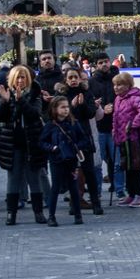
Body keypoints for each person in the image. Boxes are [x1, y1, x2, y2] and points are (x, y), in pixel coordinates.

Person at [0, 65, 51, 225]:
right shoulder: (7, 94)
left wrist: (21, 101)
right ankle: (11, 213)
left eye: (23, 77)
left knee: (34, 178)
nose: (20, 81)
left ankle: (38, 212)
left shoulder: (35, 94)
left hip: (31, 142)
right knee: (13, 179)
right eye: (17, 77)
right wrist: (5, 102)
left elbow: (34, 114)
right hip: (12, 143)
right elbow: (0, 117)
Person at [40, 96, 92, 226]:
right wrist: (52, 148)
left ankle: (78, 214)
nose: (66, 110)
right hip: (56, 160)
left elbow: (84, 139)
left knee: (73, 187)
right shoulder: (50, 125)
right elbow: (42, 142)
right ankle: (51, 216)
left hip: (71, 159)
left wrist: (76, 147)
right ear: (54, 109)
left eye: (67, 107)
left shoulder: (74, 123)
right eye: (62, 107)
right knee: (55, 188)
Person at [56, 68, 101, 214]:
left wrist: (82, 105)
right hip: (68, 138)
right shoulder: (62, 95)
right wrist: (72, 107)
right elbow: (59, 115)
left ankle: (96, 203)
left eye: (76, 77)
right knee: (71, 173)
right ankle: (74, 204)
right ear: (66, 79)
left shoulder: (86, 92)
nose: (74, 80)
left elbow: (90, 113)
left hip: (84, 137)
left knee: (89, 172)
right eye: (70, 77)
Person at [112, 71, 140, 209]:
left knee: (134, 167)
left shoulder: (134, 98)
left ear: (128, 85)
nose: (116, 87)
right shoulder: (118, 99)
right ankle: (131, 194)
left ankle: (139, 195)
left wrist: (133, 124)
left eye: (120, 85)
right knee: (127, 167)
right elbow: (116, 118)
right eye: (115, 85)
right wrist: (114, 131)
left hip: (134, 138)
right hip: (123, 138)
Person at [89, 54, 124, 201]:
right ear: (96, 65)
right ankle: (95, 191)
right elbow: (90, 102)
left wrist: (115, 108)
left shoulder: (116, 79)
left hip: (115, 126)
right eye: (100, 62)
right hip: (99, 127)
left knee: (117, 162)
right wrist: (102, 108)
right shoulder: (91, 82)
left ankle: (120, 190)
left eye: (106, 62)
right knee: (97, 163)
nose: (104, 64)